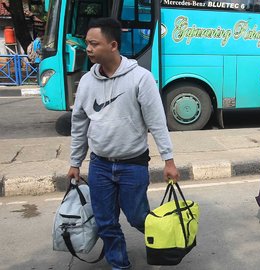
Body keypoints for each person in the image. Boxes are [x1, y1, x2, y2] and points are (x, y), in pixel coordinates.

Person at [67, 18, 179, 269]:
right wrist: (75, 162)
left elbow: (157, 121)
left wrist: (168, 160)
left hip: (133, 165)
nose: (88, 48)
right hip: (100, 166)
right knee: (106, 222)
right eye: (87, 43)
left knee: (139, 217)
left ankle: (165, 243)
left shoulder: (141, 78)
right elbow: (79, 124)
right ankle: (120, 265)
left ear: (113, 45)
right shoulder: (86, 82)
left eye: (94, 44)